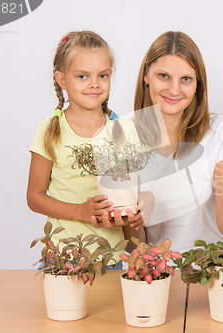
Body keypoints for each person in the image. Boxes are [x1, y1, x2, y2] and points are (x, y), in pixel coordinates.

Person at [125, 31, 223, 253]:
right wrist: (131, 214)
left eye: (186, 79)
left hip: (211, 269)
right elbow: (133, 247)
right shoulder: (123, 133)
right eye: (163, 76)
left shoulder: (219, 130)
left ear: (197, 84)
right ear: (146, 75)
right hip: (156, 274)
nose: (174, 89)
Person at [27, 31, 143, 268]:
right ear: (62, 80)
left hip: (110, 258)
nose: (94, 84)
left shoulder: (124, 131)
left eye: (103, 75)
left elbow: (129, 194)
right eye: (82, 76)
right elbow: (34, 197)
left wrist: (130, 216)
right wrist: (81, 211)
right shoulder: (49, 130)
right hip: (62, 255)